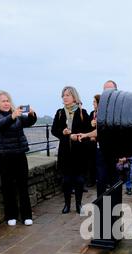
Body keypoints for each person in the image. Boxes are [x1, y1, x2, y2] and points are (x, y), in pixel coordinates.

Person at [0, 90, 37, 226]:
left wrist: (32, 115)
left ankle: (27, 215)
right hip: (4, 157)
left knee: (23, 186)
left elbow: (28, 122)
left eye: (8, 100)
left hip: (19, 155)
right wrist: (12, 116)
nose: (6, 103)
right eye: (3, 101)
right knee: (8, 187)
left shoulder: (15, 113)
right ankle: (11, 216)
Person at [51, 86, 91, 214]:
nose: (65, 97)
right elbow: (53, 130)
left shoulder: (82, 112)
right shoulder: (59, 112)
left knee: (79, 180)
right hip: (64, 153)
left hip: (79, 153)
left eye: (67, 95)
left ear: (74, 97)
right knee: (66, 180)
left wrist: (77, 136)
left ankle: (78, 205)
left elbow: (88, 133)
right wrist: (63, 132)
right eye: (63, 95)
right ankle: (67, 205)